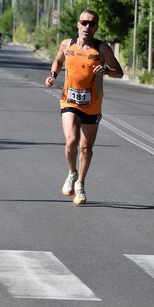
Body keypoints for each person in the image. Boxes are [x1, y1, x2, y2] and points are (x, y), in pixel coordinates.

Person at [45, 10, 124, 205]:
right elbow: (58, 60)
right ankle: (72, 172)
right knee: (71, 141)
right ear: (78, 24)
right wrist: (53, 75)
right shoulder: (67, 44)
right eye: (84, 22)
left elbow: (119, 73)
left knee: (86, 148)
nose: (88, 27)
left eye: (92, 24)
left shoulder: (102, 49)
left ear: (96, 27)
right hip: (69, 100)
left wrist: (105, 70)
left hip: (92, 104)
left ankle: (80, 184)